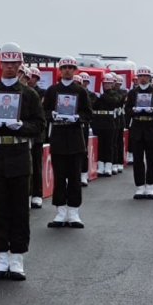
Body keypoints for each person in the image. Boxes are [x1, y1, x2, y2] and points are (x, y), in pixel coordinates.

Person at [0, 42, 46, 280]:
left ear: (20, 65)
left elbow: (39, 125)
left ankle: (17, 257)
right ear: (0, 63)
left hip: (19, 154)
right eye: (7, 62)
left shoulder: (30, 94)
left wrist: (22, 126)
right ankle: (1, 256)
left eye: (15, 63)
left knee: (18, 209)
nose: (11, 67)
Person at [43, 57, 93, 229]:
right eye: (64, 67)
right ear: (60, 70)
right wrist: (52, 115)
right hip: (58, 135)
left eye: (70, 67)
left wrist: (78, 117)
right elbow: (44, 111)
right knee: (59, 177)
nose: (67, 70)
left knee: (74, 177)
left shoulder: (80, 91)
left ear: (75, 70)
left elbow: (88, 112)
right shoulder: (52, 90)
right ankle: (60, 211)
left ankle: (73, 212)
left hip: (75, 138)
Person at [124, 66, 153, 200]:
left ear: (149, 77)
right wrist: (134, 110)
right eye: (140, 76)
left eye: (145, 76)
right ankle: (139, 186)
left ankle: (150, 186)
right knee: (138, 159)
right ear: (137, 78)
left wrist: (152, 110)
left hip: (151, 126)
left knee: (151, 159)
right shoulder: (133, 93)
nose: (142, 79)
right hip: (137, 126)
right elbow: (127, 109)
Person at [91, 73, 122, 176]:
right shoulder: (96, 94)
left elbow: (114, 102)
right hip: (98, 120)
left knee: (109, 144)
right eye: (105, 83)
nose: (107, 85)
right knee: (100, 144)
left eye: (109, 83)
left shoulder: (114, 94)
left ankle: (108, 165)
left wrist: (103, 95)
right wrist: (98, 96)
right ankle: (100, 165)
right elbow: (93, 105)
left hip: (109, 121)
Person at [26, 68, 47, 207]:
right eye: (29, 76)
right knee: (26, 167)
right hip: (24, 134)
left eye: (33, 77)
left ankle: (37, 194)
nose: (30, 79)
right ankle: (27, 194)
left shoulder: (42, 93)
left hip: (37, 135)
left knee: (37, 165)